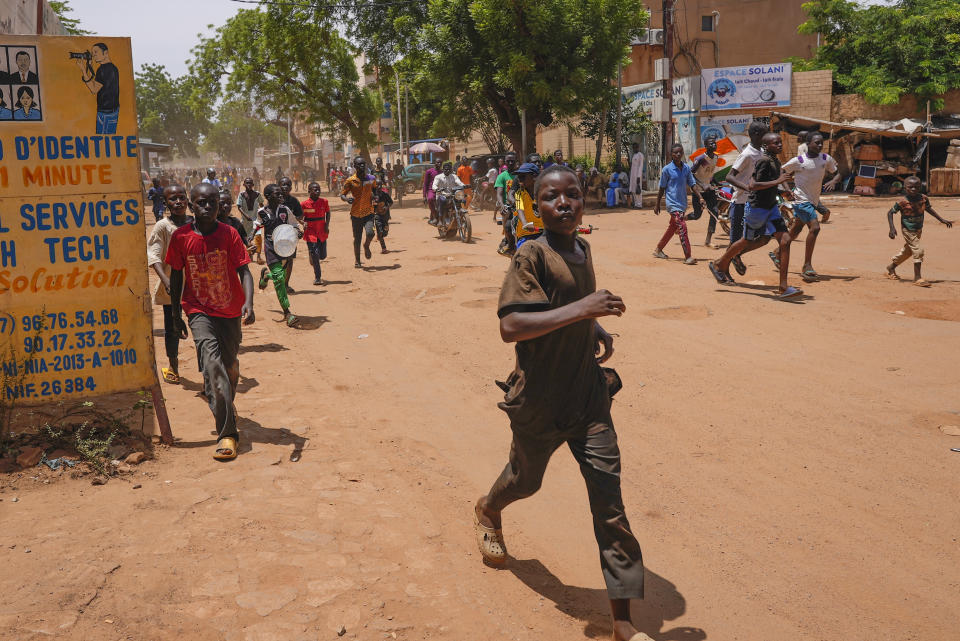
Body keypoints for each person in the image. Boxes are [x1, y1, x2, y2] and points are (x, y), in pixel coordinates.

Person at [474, 164, 645, 641]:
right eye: (552, 197)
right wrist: (585, 310)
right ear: (537, 203)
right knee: (524, 483)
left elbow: (574, 302)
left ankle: (623, 623)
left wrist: (594, 326)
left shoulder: (582, 247)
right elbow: (512, 326)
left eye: (572, 194)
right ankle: (489, 509)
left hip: (588, 399)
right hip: (540, 403)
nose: (564, 203)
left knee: (610, 506)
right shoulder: (531, 253)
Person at [165, 183, 255, 461]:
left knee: (228, 369)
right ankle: (227, 433)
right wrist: (175, 314)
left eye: (212, 203)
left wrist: (248, 302)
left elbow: (245, 271)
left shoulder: (229, 234)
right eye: (201, 203)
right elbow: (177, 277)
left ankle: (225, 401)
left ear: (219, 205)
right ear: (192, 206)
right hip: (198, 310)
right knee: (212, 365)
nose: (207, 208)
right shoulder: (180, 237)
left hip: (229, 311)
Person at [708, 133, 802, 299]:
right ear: (766, 146)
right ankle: (719, 264)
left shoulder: (775, 160)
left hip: (771, 207)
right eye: (776, 143)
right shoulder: (763, 161)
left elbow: (775, 180)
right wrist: (777, 181)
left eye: (780, 142)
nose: (780, 145)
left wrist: (784, 190)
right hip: (757, 208)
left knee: (785, 240)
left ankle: (783, 287)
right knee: (746, 240)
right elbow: (753, 185)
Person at [771, 133, 841, 282]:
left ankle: (777, 252)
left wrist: (834, 181)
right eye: (817, 143)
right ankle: (807, 265)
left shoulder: (825, 159)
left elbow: (837, 173)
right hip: (801, 200)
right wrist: (786, 189)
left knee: (796, 230)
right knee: (815, 228)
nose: (820, 145)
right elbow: (782, 171)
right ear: (808, 144)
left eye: (822, 143)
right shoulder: (799, 160)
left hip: (814, 200)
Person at [147, 184, 193, 385]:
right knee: (172, 326)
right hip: (171, 289)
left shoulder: (196, 223)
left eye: (181, 198)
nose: (178, 202)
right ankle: (173, 366)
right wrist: (166, 282)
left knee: (200, 326)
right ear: (165, 203)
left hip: (195, 287)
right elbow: (153, 256)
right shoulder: (163, 227)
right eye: (173, 199)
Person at [885, 176, 953, 287]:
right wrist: (892, 228)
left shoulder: (923, 198)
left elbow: (929, 209)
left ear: (920, 187)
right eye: (910, 187)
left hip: (918, 229)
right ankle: (918, 278)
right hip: (907, 229)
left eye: (916, 187)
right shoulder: (902, 201)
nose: (913, 189)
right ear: (905, 188)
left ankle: (891, 268)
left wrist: (942, 220)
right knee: (918, 251)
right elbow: (890, 213)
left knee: (908, 251)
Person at [724, 121, 769, 276]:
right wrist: (747, 188)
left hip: (755, 203)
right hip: (740, 202)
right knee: (735, 240)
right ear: (756, 135)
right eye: (765, 133)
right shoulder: (747, 154)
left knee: (760, 237)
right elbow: (729, 177)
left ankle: (736, 256)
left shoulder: (762, 152)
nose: (768, 136)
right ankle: (723, 270)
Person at [255, 183, 302, 326]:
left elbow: (294, 224)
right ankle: (288, 312)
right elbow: (257, 227)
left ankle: (266, 276)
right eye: (277, 194)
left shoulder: (285, 209)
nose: (281, 196)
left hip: (285, 247)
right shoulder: (262, 212)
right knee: (280, 278)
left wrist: (298, 231)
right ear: (268, 196)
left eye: (281, 193)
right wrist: (252, 239)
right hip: (270, 248)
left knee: (278, 275)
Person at [653, 144, 705, 265]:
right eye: (675, 152)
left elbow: (692, 184)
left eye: (680, 152)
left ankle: (658, 249)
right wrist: (657, 204)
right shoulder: (667, 169)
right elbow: (662, 188)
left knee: (672, 228)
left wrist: (700, 197)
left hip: (682, 203)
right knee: (682, 227)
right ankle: (688, 256)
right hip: (672, 204)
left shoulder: (686, 168)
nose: (678, 154)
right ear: (671, 154)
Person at [340, 156, 377, 268]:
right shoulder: (350, 181)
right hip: (355, 214)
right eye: (359, 164)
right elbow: (342, 194)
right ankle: (357, 260)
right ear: (355, 166)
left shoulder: (371, 178)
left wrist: (375, 197)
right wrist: (347, 199)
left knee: (370, 233)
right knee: (357, 238)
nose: (362, 166)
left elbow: (374, 190)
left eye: (363, 164)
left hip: (368, 212)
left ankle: (366, 246)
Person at [687, 135, 721, 247]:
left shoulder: (716, 157)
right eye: (711, 143)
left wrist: (716, 182)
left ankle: (708, 240)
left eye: (715, 143)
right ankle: (681, 221)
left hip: (709, 190)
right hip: (699, 191)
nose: (714, 145)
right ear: (706, 146)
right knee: (697, 216)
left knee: (714, 211)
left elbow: (710, 173)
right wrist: (702, 184)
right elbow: (691, 174)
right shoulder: (701, 159)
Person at [301, 181, 331, 285]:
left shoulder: (324, 201)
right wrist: (302, 223)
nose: (318, 191)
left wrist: (327, 226)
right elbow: (300, 217)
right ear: (309, 191)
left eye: (319, 189)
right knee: (315, 254)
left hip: (322, 231)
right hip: (310, 232)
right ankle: (317, 277)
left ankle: (312, 255)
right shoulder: (304, 204)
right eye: (315, 189)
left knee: (322, 256)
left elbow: (328, 213)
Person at [278, 176, 305, 291]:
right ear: (278, 185)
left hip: (290, 234)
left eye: (288, 184)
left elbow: (300, 216)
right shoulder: (274, 200)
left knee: (289, 259)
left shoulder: (294, 201)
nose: (286, 187)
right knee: (278, 260)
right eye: (283, 184)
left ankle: (286, 284)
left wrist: (299, 226)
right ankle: (278, 281)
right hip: (277, 234)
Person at [512, 162, 542, 247]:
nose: (519, 179)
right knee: (523, 256)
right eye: (519, 176)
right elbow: (520, 210)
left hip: (544, 233)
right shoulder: (519, 193)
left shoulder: (544, 192)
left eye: (523, 176)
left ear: (534, 176)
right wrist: (525, 224)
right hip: (525, 234)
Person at [495, 152, 519, 254]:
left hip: (522, 205)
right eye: (508, 161)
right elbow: (499, 194)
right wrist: (502, 205)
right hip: (508, 206)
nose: (510, 163)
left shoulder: (520, 175)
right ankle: (509, 243)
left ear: (515, 162)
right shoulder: (502, 176)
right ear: (505, 162)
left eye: (512, 161)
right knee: (508, 225)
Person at [236, 177, 264, 263]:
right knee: (247, 238)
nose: (248, 185)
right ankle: (250, 255)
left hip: (256, 220)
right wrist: (245, 215)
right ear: (244, 185)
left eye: (250, 183)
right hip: (245, 221)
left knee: (258, 237)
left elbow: (261, 204)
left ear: (253, 185)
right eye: (247, 183)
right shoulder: (241, 195)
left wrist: (262, 215)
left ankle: (259, 256)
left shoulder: (257, 194)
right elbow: (239, 207)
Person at [432, 161, 466, 227]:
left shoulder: (454, 176)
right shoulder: (438, 177)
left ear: (451, 170)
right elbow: (434, 185)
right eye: (445, 169)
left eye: (448, 169)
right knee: (443, 200)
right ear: (443, 169)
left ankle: (462, 217)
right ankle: (440, 220)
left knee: (460, 198)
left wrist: (464, 186)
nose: (447, 170)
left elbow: (459, 182)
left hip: (452, 195)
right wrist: (436, 189)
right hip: (441, 195)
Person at [372, 179, 393, 254]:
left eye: (380, 185)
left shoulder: (385, 194)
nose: (379, 186)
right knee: (380, 231)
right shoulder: (373, 195)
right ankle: (383, 248)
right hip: (377, 216)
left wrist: (386, 207)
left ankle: (381, 234)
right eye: (377, 185)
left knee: (385, 232)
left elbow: (391, 202)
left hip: (385, 216)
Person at [423, 158, 443, 226]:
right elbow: (425, 184)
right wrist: (424, 196)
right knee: (430, 199)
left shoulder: (443, 172)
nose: (439, 164)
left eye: (440, 162)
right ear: (435, 163)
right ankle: (435, 217)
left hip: (440, 190)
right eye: (438, 162)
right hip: (431, 190)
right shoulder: (429, 171)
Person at [628, 142, 645, 208]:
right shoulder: (634, 155)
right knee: (633, 190)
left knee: (638, 189)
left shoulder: (640, 155)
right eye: (633, 148)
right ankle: (635, 203)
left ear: (638, 147)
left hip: (638, 175)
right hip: (632, 175)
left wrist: (638, 176)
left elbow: (640, 166)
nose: (635, 149)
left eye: (636, 147)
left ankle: (639, 204)